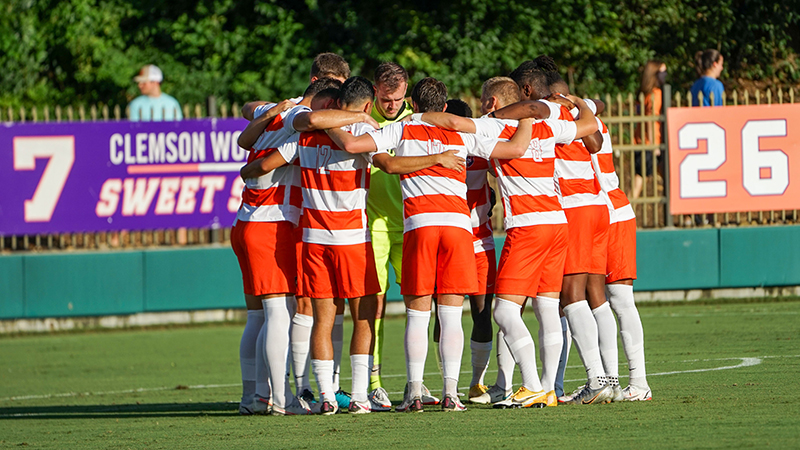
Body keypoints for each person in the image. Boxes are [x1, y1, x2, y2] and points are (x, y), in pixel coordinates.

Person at [327, 77, 534, 412]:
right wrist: (528, 116)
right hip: (458, 227)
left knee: (418, 314)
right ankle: (451, 394)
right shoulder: (462, 131)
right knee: (451, 314)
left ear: (414, 103)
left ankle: (413, 392)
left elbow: (359, 149)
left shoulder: (402, 128)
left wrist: (330, 122)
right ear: (444, 104)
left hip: (420, 226)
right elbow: (515, 150)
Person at [419, 79, 599, 409]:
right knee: (546, 308)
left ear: (500, 102)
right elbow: (589, 126)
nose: (486, 106)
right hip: (556, 223)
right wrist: (581, 102)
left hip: (528, 226)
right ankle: (548, 388)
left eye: (489, 100)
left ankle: (530, 383)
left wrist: (416, 119)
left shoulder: (493, 127)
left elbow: (457, 123)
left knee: (503, 310)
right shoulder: (545, 128)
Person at [234, 77, 379, 416]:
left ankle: (258, 396)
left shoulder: (282, 116)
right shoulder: (304, 118)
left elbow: (248, 140)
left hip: (264, 223)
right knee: (281, 315)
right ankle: (282, 399)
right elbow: (317, 122)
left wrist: (247, 172)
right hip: (279, 225)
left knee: (263, 316)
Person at [506, 60, 615, 405]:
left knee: (571, 298)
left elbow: (532, 109)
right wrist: (584, 105)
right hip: (596, 204)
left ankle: (597, 378)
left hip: (574, 205)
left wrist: (493, 117)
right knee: (590, 298)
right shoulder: (571, 110)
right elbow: (596, 135)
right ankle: (605, 378)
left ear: (527, 90)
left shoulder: (547, 112)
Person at [591, 113, 652, 402]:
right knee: (597, 299)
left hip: (602, 212)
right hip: (605, 210)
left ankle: (625, 381)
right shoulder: (585, 113)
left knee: (606, 298)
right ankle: (619, 382)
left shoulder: (569, 119)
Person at [633, 60, 667, 200]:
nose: (665, 75)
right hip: (651, 144)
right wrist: (654, 145)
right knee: (639, 181)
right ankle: (624, 212)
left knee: (667, 178)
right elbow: (650, 120)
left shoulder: (644, 94)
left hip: (641, 141)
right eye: (663, 72)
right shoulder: (655, 94)